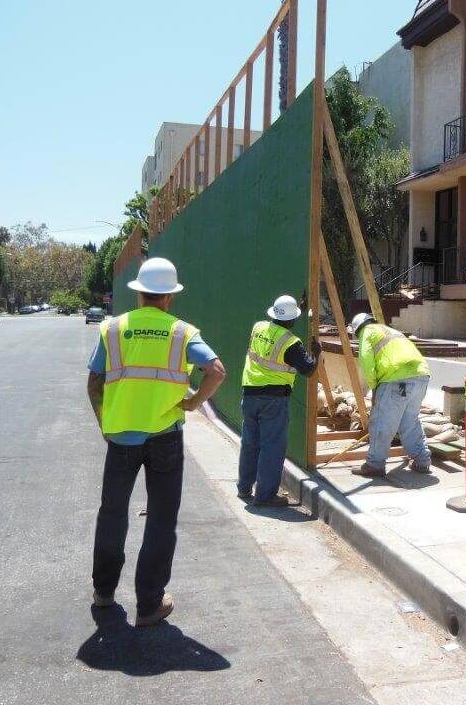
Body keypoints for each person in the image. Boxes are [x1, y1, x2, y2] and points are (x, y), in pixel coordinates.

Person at [86, 257, 226, 627]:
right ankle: (149, 605)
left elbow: (94, 384)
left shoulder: (112, 330)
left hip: (121, 440)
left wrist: (106, 424)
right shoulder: (182, 332)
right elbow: (216, 370)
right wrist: (194, 402)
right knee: (161, 519)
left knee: (112, 513)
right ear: (169, 297)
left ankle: (103, 592)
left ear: (139, 295)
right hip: (165, 438)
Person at [239, 295, 321, 506]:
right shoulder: (291, 343)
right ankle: (265, 496)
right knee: (272, 447)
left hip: (249, 395)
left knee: (250, 444)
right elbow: (309, 369)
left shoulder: (258, 327)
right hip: (273, 400)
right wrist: (317, 354)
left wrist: (298, 311)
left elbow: (278, 331)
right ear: (292, 320)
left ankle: (244, 488)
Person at [349, 313, 432, 478]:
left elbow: (366, 359)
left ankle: (375, 465)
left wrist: (374, 387)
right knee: (410, 421)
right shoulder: (388, 330)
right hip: (421, 375)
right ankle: (422, 461)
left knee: (382, 422)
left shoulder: (367, 332)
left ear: (357, 329)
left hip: (395, 379)